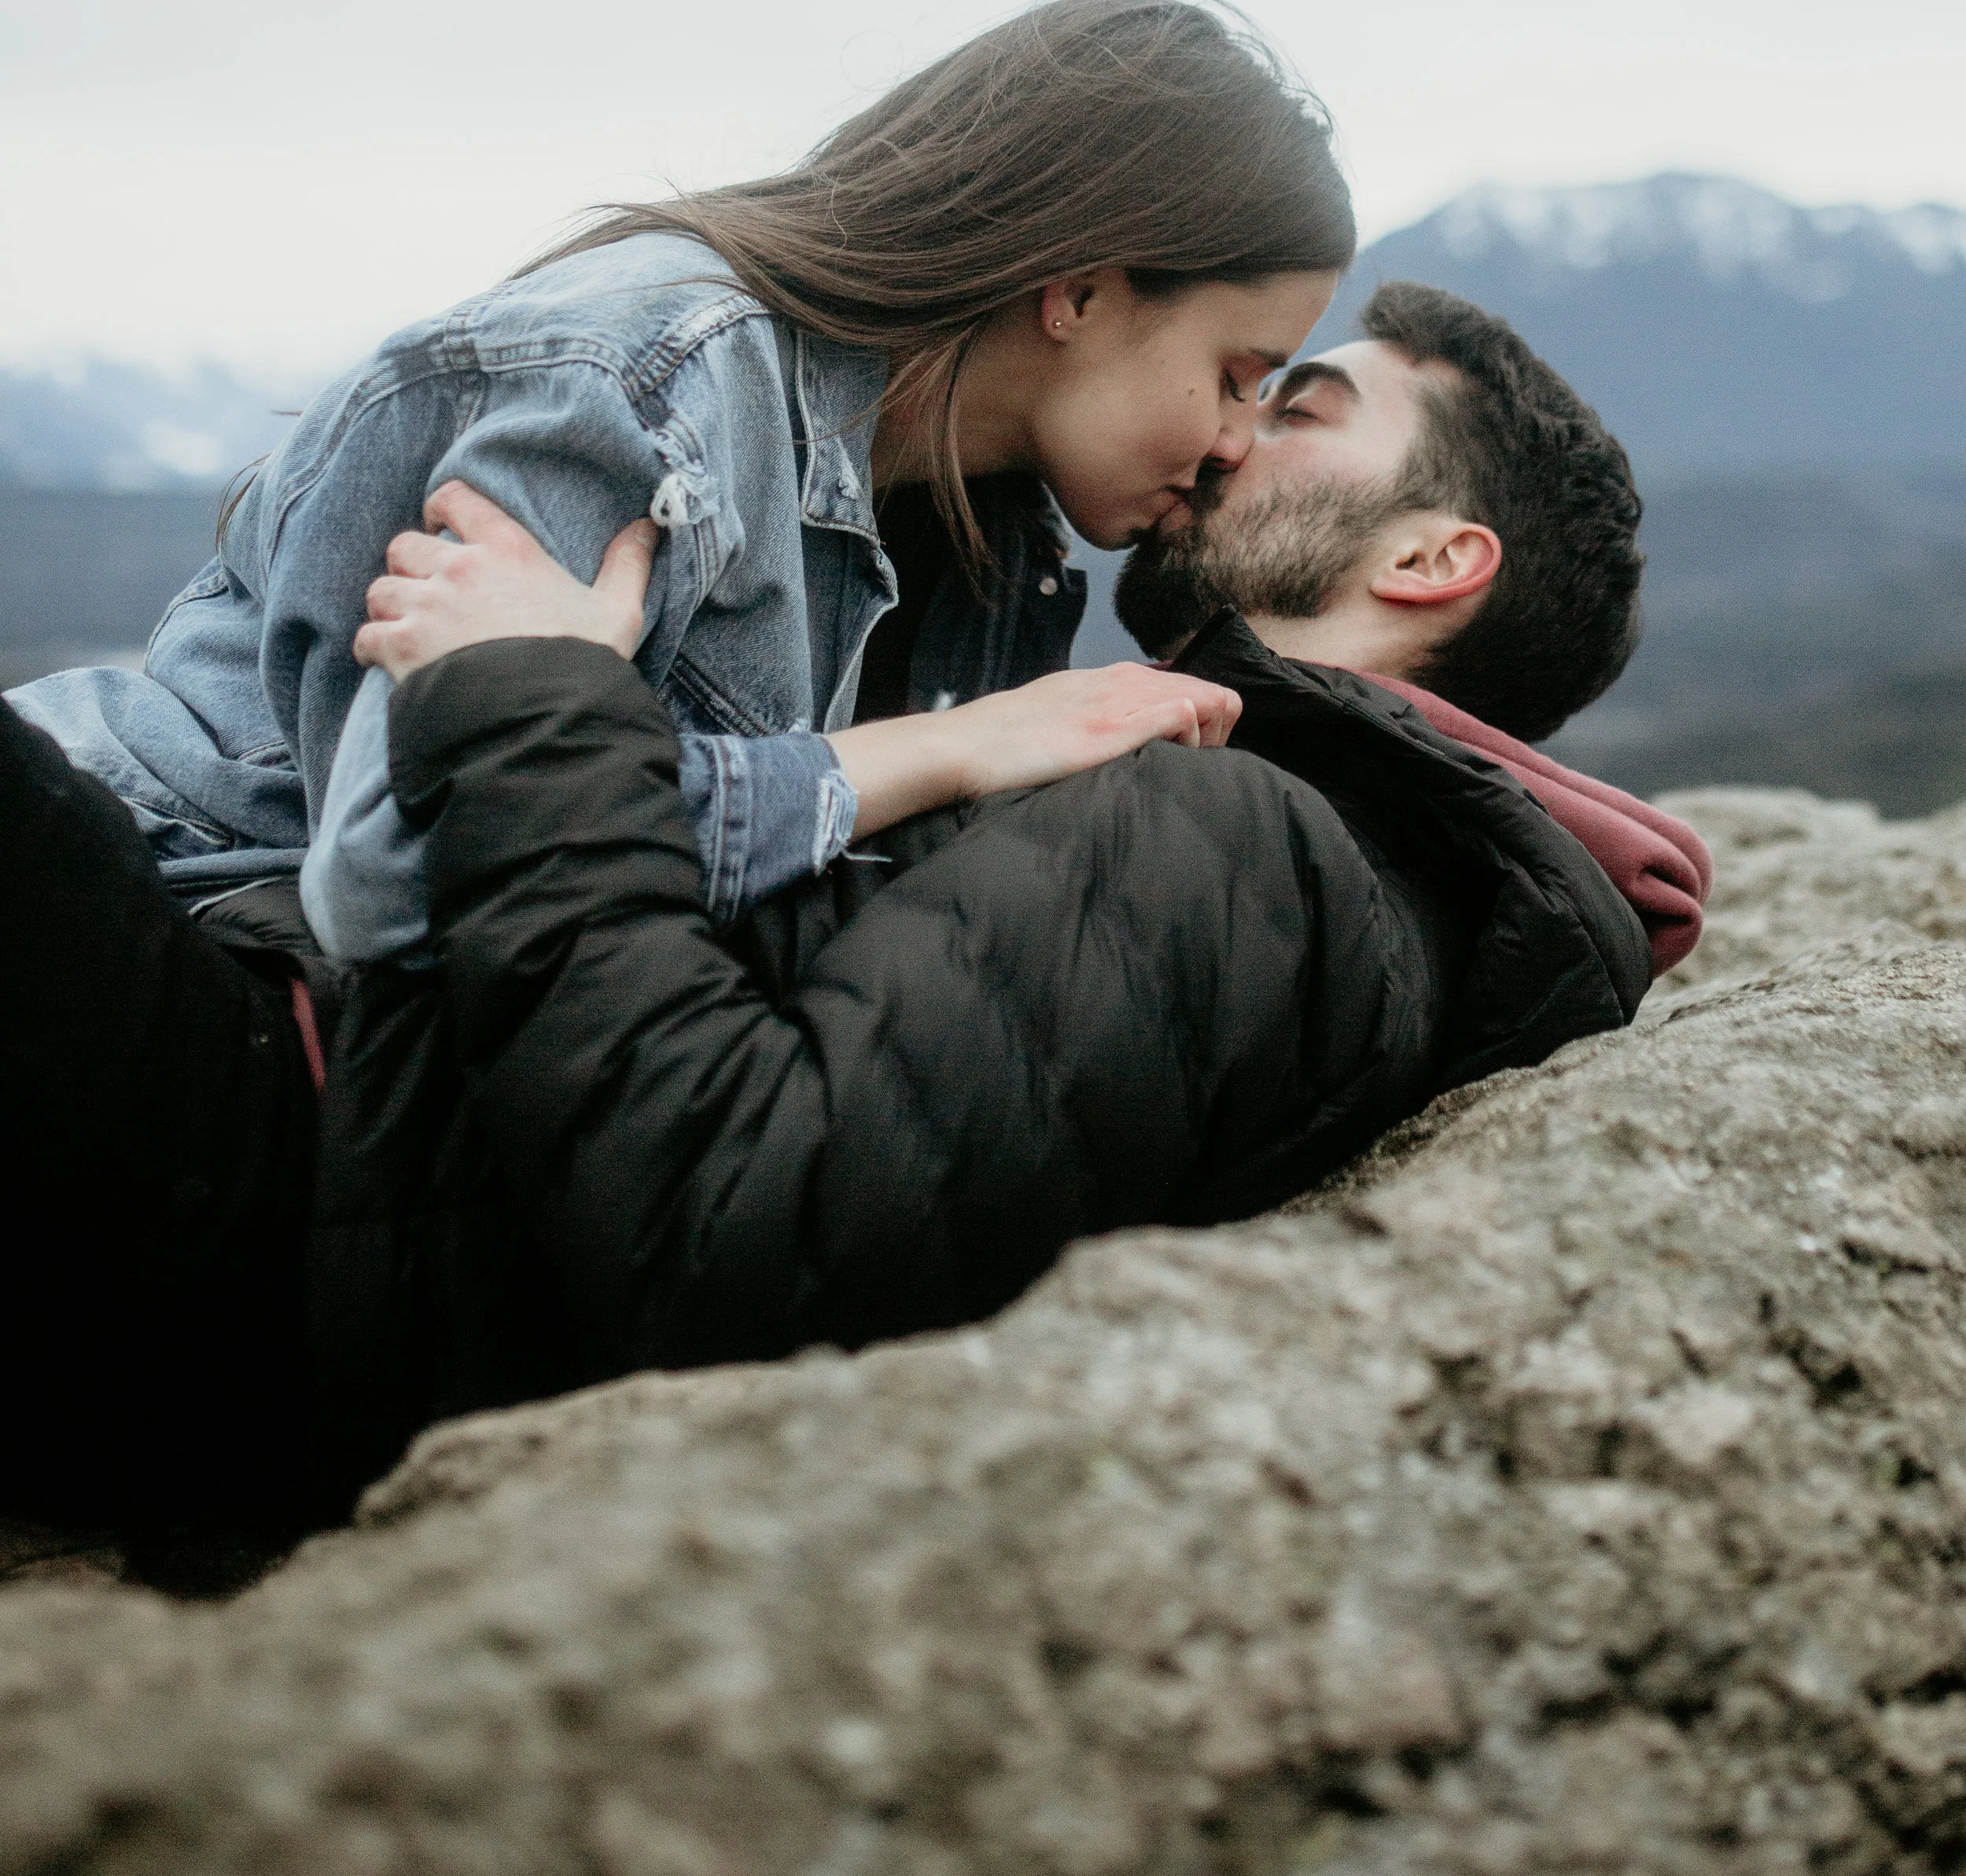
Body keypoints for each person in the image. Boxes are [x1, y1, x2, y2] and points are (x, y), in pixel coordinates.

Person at [0, 285, 1707, 1552]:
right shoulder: (1266, 830)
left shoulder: (1249, 847)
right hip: (313, 1189)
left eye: (1303, 406)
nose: (1231, 432)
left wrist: (531, 697)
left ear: (1429, 562)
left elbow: (723, 1228)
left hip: (277, 1205)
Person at [9, 0, 1351, 957]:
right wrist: (940, 750)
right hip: (138, 926)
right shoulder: (647, 380)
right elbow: (398, 874)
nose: (1242, 437)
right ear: (1083, 290)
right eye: (1238, 371)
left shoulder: (1001, 552)